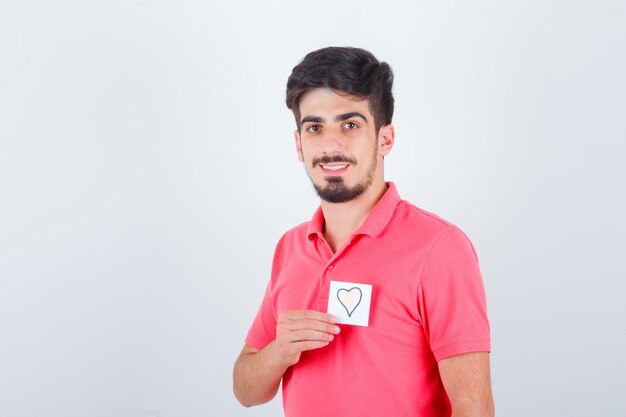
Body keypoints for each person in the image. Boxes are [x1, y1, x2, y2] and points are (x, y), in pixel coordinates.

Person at [232, 46, 494, 417]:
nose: (330, 145)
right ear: (298, 144)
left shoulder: (440, 247)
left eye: (350, 124)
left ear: (385, 139)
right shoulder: (290, 247)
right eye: (315, 127)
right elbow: (245, 390)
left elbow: (474, 407)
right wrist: (279, 351)